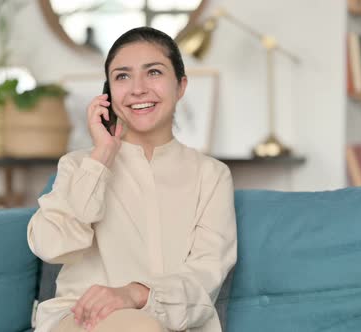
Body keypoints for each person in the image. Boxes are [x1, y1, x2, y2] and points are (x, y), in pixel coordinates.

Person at [27, 27, 237, 332]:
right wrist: (102, 157)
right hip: (79, 319)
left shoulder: (212, 176)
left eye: (153, 72)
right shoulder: (79, 165)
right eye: (122, 76)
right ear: (108, 93)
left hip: (171, 323)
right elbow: (51, 245)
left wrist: (136, 293)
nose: (137, 89)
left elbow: (206, 274)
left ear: (180, 86)